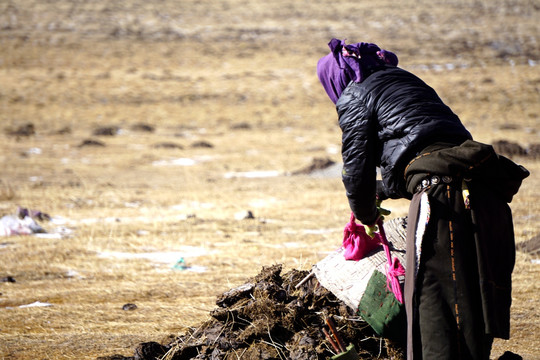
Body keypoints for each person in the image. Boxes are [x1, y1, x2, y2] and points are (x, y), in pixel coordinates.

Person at [316, 38, 529, 360]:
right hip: (485, 200)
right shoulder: (408, 83)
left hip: (446, 201)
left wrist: (365, 212)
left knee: (439, 309)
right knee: (474, 304)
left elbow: (356, 167)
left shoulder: (355, 93)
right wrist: (384, 189)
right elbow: (428, 152)